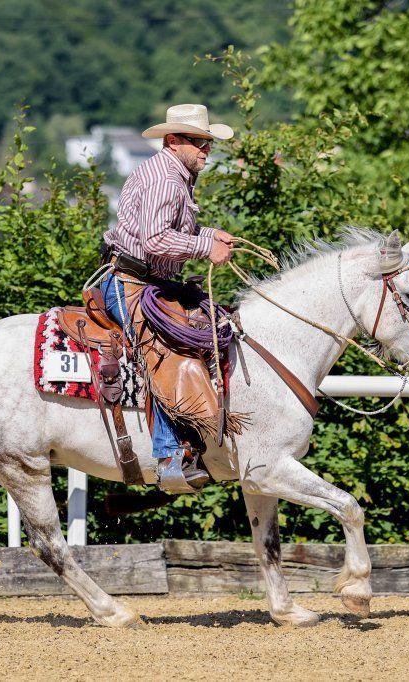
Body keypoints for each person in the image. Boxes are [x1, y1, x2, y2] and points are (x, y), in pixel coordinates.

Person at [100, 103, 234, 491]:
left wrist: (207, 235)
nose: (206, 150)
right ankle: (169, 455)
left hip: (150, 282)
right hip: (130, 284)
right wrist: (204, 248)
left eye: (208, 143)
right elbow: (155, 238)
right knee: (162, 351)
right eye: (199, 142)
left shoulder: (174, 174)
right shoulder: (168, 179)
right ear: (173, 141)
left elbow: (166, 230)